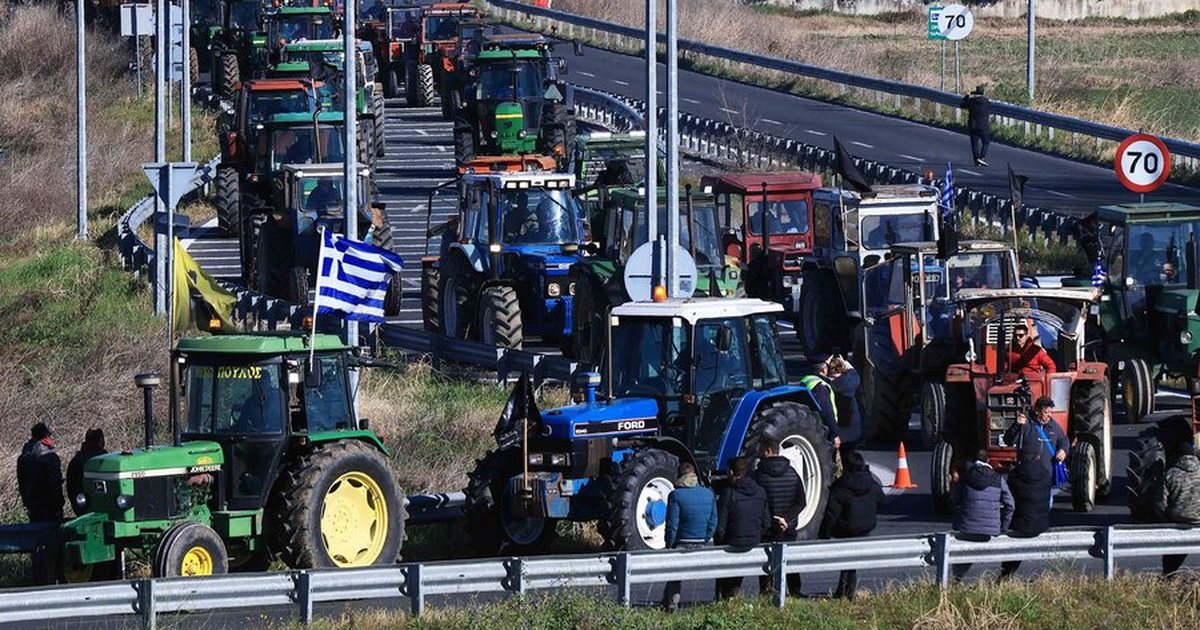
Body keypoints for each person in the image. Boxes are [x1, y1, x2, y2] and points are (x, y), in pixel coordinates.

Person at [819, 451, 884, 598]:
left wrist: (824, 533)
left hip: (846, 528)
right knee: (852, 562)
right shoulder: (871, 483)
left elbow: (831, 513)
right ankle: (849, 591)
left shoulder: (841, 487)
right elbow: (882, 501)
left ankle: (843, 591)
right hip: (865, 527)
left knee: (846, 561)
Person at [661, 462, 718, 612]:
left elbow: (672, 524)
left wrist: (670, 544)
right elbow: (713, 521)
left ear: (680, 476)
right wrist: (706, 538)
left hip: (681, 541)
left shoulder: (676, 495)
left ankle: (671, 604)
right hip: (701, 541)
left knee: (675, 576)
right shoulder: (708, 493)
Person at [950, 450, 1014, 581]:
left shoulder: (966, 477)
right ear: (988, 461)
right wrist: (1003, 527)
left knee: (963, 555)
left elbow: (955, 499)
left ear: (973, 462)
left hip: (967, 527)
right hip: (991, 530)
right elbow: (1010, 505)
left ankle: (957, 580)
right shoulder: (998, 479)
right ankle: (1000, 580)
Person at [754, 443, 807, 598]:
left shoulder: (758, 475)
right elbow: (801, 502)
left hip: (768, 527)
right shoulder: (792, 473)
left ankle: (766, 592)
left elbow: (758, 502)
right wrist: (786, 519)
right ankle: (795, 591)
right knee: (790, 560)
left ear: (768, 450)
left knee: (767, 561)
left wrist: (772, 519)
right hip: (788, 527)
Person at [715, 457, 771, 600]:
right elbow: (766, 522)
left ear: (731, 472)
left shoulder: (729, 493)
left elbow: (721, 523)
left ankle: (727, 598)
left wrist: (720, 541)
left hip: (733, 541)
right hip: (754, 540)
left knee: (727, 581)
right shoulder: (760, 491)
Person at [997, 452, 1052, 581]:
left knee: (1014, 547)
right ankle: (1005, 578)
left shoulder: (1016, 475)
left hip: (1020, 524)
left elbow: (1010, 501)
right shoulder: (1045, 474)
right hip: (1041, 524)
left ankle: (1004, 577)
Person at [1154, 441, 1200, 577]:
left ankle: (1168, 575)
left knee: (1173, 554)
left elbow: (1160, 503)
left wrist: (1164, 519)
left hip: (1177, 520)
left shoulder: (1171, 474)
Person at [1002, 397, 1069, 485]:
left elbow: (1064, 440)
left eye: (1050, 412)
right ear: (1037, 411)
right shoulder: (1026, 425)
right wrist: (1016, 425)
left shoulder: (1054, 426)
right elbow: (1008, 440)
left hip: (1047, 477)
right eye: (1046, 412)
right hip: (1027, 477)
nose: (1049, 415)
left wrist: (1063, 450)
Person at [17, 422, 64, 523]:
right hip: (49, 507)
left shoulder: (23, 457)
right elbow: (55, 484)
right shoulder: (49, 457)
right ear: (46, 436)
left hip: (32, 506)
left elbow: (21, 483)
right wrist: (59, 504)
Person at [800, 355, 842, 451]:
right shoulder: (821, 386)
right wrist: (834, 434)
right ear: (823, 370)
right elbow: (827, 412)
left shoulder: (805, 380)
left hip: (809, 426)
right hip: (823, 430)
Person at [826, 355, 862, 457]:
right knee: (849, 458)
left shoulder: (826, 385)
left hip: (834, 431)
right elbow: (853, 373)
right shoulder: (850, 382)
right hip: (852, 431)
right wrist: (846, 364)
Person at [66, 428, 107, 517]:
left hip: (82, 507)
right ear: (100, 441)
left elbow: (71, 487)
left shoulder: (76, 460)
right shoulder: (105, 460)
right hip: (101, 507)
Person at [960, 85, 991, 167]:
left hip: (973, 125)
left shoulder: (971, 102)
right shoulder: (986, 102)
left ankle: (976, 159)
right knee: (986, 142)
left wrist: (967, 96)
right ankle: (982, 157)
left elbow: (962, 105)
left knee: (974, 143)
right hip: (983, 125)